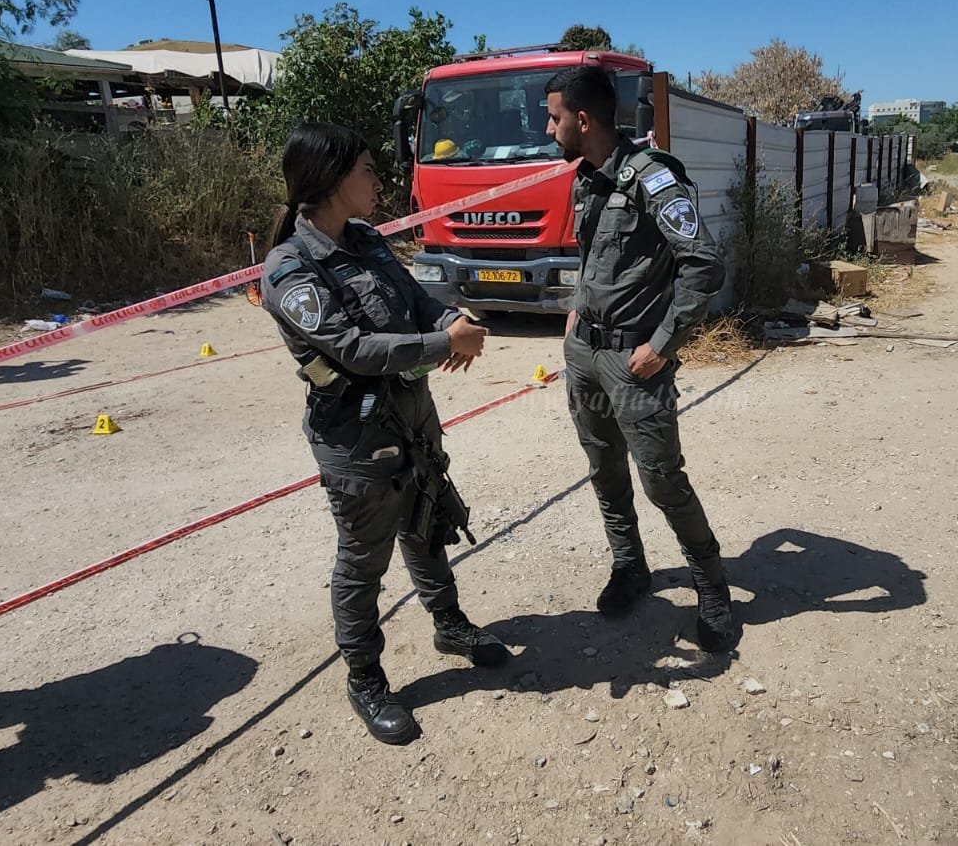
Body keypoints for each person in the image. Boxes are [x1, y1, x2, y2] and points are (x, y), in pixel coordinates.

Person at [260, 122, 508, 746]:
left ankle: (448, 624)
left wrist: (452, 318)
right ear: (330, 180)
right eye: (367, 170)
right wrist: (440, 344)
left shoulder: (368, 239)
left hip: (411, 414)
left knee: (427, 520)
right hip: (356, 435)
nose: (378, 180)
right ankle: (365, 677)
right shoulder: (291, 266)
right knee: (363, 559)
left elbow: (416, 298)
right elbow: (349, 347)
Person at [544, 65, 739, 653]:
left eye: (554, 118)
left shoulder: (652, 179)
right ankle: (631, 567)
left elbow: (703, 264)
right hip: (586, 353)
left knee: (661, 480)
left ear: (584, 119)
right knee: (604, 469)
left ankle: (712, 587)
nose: (549, 129)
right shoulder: (586, 180)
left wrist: (664, 342)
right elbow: (592, 255)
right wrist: (578, 308)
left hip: (635, 358)